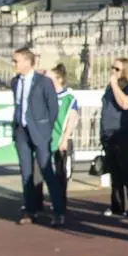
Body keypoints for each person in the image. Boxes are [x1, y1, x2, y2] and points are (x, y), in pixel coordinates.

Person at [10, 47, 65, 227]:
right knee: (26, 172)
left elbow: (53, 108)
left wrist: (45, 129)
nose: (13, 64)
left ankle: (58, 211)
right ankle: (30, 210)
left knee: (46, 170)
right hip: (21, 132)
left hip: (39, 132)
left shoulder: (43, 82)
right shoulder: (15, 82)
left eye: (16, 61)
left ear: (27, 62)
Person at [100, 57, 128, 218]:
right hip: (108, 134)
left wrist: (114, 85)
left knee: (126, 169)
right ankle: (117, 206)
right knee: (114, 172)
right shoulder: (109, 89)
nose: (113, 71)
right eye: (112, 68)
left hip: (123, 133)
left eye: (117, 69)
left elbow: (125, 104)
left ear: (125, 71)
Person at [49, 63, 79, 213]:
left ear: (59, 79)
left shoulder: (69, 98)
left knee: (60, 174)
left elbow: (72, 119)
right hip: (47, 140)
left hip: (61, 140)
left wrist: (65, 139)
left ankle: (60, 204)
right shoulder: (47, 96)